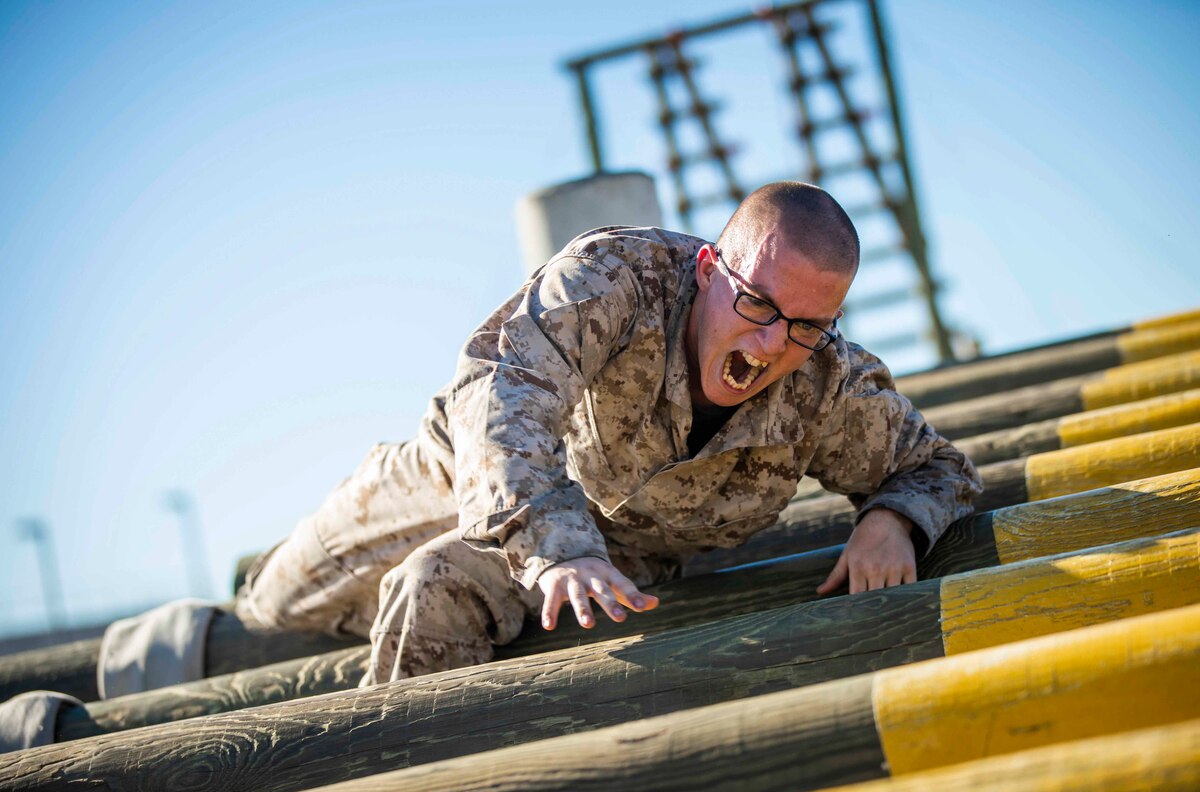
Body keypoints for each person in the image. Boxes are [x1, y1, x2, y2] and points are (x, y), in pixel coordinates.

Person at [237, 182, 981, 685]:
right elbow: (502, 392)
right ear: (708, 269)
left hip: (618, 546)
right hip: (462, 472)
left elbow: (934, 467)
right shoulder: (614, 277)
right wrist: (554, 547)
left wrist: (894, 521)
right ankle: (198, 632)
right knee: (277, 604)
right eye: (756, 303)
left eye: (807, 325)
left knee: (432, 586)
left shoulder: (829, 384)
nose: (770, 345)